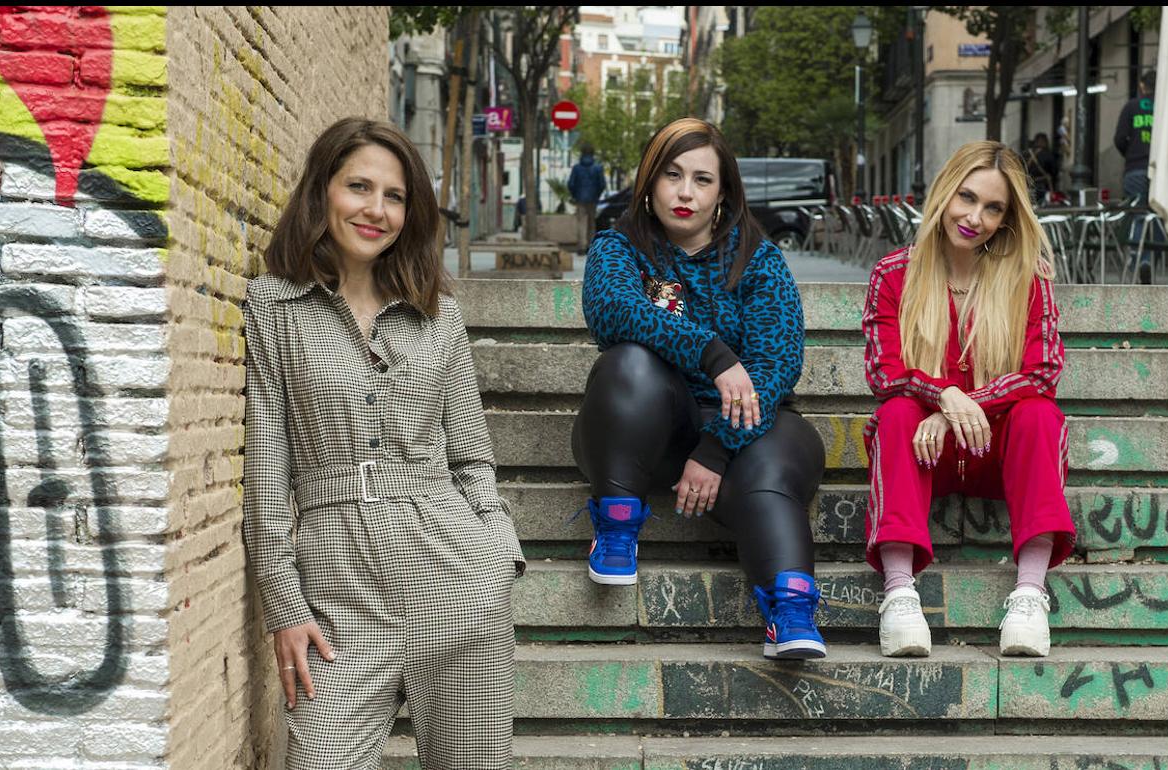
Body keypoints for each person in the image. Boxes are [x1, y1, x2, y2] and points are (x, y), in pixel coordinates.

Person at [242, 118, 524, 768]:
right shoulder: (274, 308)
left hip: (456, 581)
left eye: (393, 195)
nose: (375, 209)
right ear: (322, 192)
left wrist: (497, 558)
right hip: (337, 594)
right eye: (358, 187)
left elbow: (471, 456)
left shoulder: (439, 313)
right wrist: (282, 602)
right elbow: (266, 472)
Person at [575, 118, 828, 659]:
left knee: (767, 467)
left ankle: (790, 607)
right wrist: (712, 354)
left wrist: (715, 450)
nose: (685, 192)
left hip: (748, 433)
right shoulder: (619, 249)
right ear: (649, 181)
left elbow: (777, 364)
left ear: (723, 192)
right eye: (671, 175)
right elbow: (615, 310)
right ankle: (618, 522)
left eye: (702, 180)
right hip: (650, 432)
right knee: (629, 365)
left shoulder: (757, 259)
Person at [861, 140, 1075, 659]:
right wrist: (940, 397)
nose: (974, 217)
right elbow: (883, 372)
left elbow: (1042, 371)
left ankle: (1029, 593)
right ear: (943, 194)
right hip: (921, 456)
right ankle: (899, 594)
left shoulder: (1026, 278)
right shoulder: (895, 274)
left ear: (1007, 218)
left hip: (996, 455)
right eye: (966, 197)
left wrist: (961, 405)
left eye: (993, 207)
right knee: (896, 411)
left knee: (1039, 414)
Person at [1114, 69, 1156, 283]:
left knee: (1138, 214)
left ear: (1141, 85)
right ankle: (1156, 255)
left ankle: (1141, 260)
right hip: (1161, 173)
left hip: (1136, 168)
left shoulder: (1131, 107)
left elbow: (1120, 138)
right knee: (1158, 216)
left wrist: (1131, 154)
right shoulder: (1166, 109)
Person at [567, 146, 607, 253]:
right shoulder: (598, 168)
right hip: (593, 199)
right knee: (591, 222)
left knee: (581, 222)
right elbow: (602, 184)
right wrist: (597, 195)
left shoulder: (576, 168)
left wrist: (575, 195)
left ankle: (581, 246)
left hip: (580, 198)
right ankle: (591, 245)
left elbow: (571, 184)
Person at [1023, 132, 1056, 206]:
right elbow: (1053, 171)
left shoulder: (1026, 153)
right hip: (1042, 185)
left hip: (1027, 184)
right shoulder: (1047, 155)